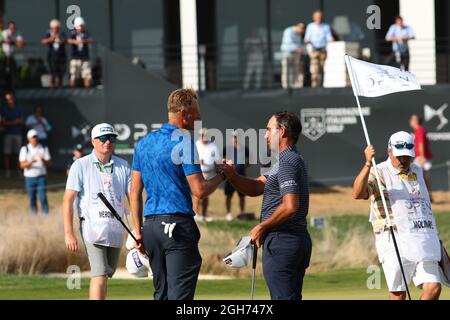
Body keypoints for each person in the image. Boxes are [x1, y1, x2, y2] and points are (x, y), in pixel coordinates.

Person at [130, 88, 225, 300]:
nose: (199, 117)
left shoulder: (143, 143)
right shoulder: (183, 141)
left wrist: (138, 232)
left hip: (151, 228)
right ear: (185, 113)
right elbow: (199, 190)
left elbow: (134, 192)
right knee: (180, 299)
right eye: (196, 111)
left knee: (161, 295)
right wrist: (222, 175)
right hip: (177, 228)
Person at [220, 111, 312, 300]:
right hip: (291, 240)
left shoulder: (287, 161)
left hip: (283, 241)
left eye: (269, 130)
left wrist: (262, 227)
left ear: (283, 131)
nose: (265, 135)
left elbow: (290, 205)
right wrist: (232, 176)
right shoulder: (286, 160)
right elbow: (256, 186)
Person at [352, 131, 442, 300]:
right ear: (389, 152)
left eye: (407, 156)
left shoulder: (418, 171)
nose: (403, 160)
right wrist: (367, 163)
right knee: (398, 293)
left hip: (421, 236)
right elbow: (358, 193)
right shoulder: (379, 172)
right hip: (393, 236)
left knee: (433, 287)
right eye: (399, 156)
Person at [63, 123, 131, 300]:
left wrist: (138, 229)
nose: (107, 141)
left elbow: (134, 197)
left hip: (115, 227)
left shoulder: (123, 166)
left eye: (111, 138)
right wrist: (69, 233)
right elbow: (68, 200)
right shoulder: (81, 165)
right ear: (93, 141)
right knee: (99, 273)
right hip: (92, 227)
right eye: (103, 138)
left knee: (106, 273)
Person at [19, 129, 51, 214]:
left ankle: (46, 216)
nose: (35, 139)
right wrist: (31, 161)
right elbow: (22, 165)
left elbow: (49, 163)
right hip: (29, 178)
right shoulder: (24, 149)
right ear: (28, 138)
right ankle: (34, 217)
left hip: (41, 177)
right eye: (33, 137)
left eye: (36, 137)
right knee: (32, 198)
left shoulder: (43, 148)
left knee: (43, 197)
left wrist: (42, 159)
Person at [193, 128, 221, 221]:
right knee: (197, 193)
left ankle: (204, 215)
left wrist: (219, 170)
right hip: (198, 172)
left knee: (206, 193)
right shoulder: (196, 145)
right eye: (201, 135)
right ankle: (196, 214)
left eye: (204, 135)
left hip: (210, 173)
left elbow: (217, 160)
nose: (203, 136)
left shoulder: (212, 146)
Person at [223, 130, 249, 221]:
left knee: (242, 196)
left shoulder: (244, 148)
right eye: (234, 137)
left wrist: (244, 166)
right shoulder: (227, 148)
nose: (235, 138)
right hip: (230, 176)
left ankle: (241, 213)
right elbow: (222, 159)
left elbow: (249, 160)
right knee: (229, 195)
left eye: (237, 137)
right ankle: (228, 214)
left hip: (241, 175)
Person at [304, 10, 333, 88]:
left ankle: (321, 86)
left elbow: (329, 38)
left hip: (323, 50)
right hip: (314, 50)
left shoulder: (326, 26)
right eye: (317, 17)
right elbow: (306, 39)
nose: (319, 19)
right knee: (314, 69)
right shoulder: (310, 26)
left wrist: (332, 40)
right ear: (314, 18)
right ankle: (314, 86)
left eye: (320, 17)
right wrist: (309, 43)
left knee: (322, 68)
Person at [409, 114, 433, 200]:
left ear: (416, 121)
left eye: (412, 119)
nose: (410, 121)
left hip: (421, 158)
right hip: (421, 157)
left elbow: (421, 144)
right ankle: (429, 196)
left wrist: (422, 157)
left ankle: (425, 196)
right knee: (423, 177)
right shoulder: (418, 130)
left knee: (416, 176)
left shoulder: (419, 130)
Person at [1, 92, 24, 177]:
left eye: (10, 98)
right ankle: (8, 171)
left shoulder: (19, 108)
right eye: (7, 99)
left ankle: (19, 170)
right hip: (8, 134)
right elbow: (3, 122)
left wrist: (9, 123)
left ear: (13, 99)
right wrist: (14, 122)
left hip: (17, 134)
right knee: (7, 154)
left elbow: (21, 121)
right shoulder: (3, 109)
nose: (9, 100)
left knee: (18, 154)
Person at [280, 22, 307, 89]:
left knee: (296, 71)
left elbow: (299, 45)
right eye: (302, 29)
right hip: (287, 53)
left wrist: (302, 50)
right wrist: (298, 49)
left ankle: (295, 87)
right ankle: (286, 87)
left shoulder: (299, 34)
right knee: (286, 70)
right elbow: (288, 43)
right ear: (298, 27)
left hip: (296, 54)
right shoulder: (289, 31)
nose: (302, 31)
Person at [68, 17, 93, 88]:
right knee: (73, 74)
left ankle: (87, 89)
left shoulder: (86, 33)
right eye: (79, 26)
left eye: (82, 26)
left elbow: (90, 39)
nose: (80, 28)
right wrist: (75, 42)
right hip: (75, 57)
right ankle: (72, 89)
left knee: (86, 74)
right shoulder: (73, 34)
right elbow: (69, 40)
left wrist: (83, 41)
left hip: (85, 57)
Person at [42, 19, 67, 88]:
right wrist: (52, 38)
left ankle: (60, 85)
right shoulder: (48, 33)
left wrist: (60, 38)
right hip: (52, 56)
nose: (55, 29)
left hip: (61, 55)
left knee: (61, 71)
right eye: (54, 28)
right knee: (53, 71)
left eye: (57, 28)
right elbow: (43, 41)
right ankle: (52, 85)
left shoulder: (62, 33)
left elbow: (66, 40)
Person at [1, 21, 25, 90]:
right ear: (8, 28)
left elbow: (22, 44)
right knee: (3, 73)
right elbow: (6, 41)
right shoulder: (5, 32)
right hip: (3, 56)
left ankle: (13, 87)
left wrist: (12, 42)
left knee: (13, 73)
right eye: (11, 28)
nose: (13, 29)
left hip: (11, 56)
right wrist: (15, 42)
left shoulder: (17, 33)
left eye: (14, 28)